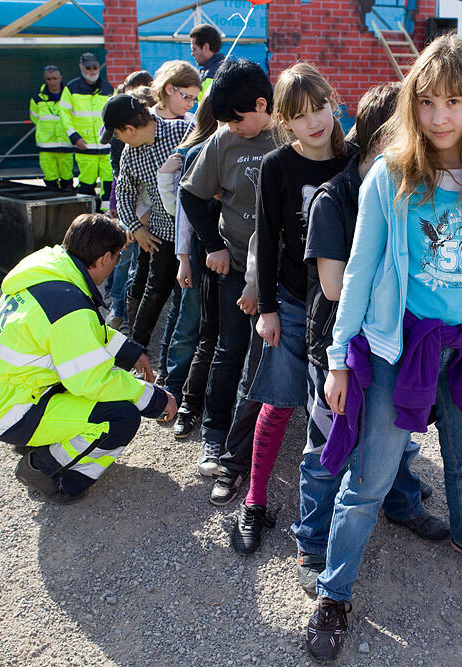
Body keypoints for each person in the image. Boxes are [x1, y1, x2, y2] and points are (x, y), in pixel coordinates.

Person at [304, 35, 462, 662]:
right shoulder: (391, 174)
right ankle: (334, 591)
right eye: (427, 101)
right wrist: (339, 355)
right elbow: (358, 268)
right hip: (393, 349)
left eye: (453, 101)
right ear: (412, 104)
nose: (438, 116)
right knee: (371, 475)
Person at [297, 82, 443, 594]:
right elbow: (337, 287)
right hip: (337, 340)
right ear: (383, 138)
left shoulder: (413, 188)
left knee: (397, 439)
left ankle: (403, 506)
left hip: (389, 339)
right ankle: (313, 539)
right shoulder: (334, 200)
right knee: (328, 443)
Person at [227, 63, 356, 554]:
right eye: (300, 115)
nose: (314, 121)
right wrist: (267, 308)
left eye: (319, 107)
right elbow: (267, 235)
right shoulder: (277, 165)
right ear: (284, 119)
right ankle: (255, 502)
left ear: (333, 102)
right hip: (295, 303)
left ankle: (368, 498)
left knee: (338, 410)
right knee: (278, 404)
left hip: (343, 308)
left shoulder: (356, 159)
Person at [0, 213, 176, 503]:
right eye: (118, 257)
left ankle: (40, 443)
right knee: (120, 417)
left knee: (96, 398)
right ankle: (45, 470)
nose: (116, 263)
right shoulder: (70, 307)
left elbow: (84, 334)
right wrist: (156, 399)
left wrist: (130, 351)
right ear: (105, 257)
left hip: (5, 394)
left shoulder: (49, 272)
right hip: (16, 412)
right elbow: (92, 380)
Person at [178, 59, 276, 488]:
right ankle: (215, 436)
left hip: (281, 272)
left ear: (262, 104)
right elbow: (191, 195)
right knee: (230, 348)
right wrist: (213, 246)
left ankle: (263, 438)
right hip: (234, 264)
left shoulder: (292, 135)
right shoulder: (223, 140)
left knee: (271, 357)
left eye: (237, 121)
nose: (232, 128)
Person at [107, 86, 194, 377]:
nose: (118, 140)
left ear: (129, 129)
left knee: (185, 302)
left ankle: (176, 370)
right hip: (162, 234)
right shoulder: (130, 156)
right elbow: (123, 192)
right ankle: (136, 354)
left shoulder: (184, 130)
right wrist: (135, 229)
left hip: (196, 234)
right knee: (153, 293)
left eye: (117, 134)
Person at [158, 97, 220, 435]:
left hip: (205, 256)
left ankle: (184, 384)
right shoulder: (197, 151)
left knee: (198, 323)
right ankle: (173, 387)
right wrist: (183, 259)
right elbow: (183, 213)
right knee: (189, 323)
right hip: (196, 255)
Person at [104, 71, 155, 331]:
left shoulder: (174, 129)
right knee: (126, 258)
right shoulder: (124, 139)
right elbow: (121, 180)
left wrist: (142, 219)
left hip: (150, 212)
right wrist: (132, 222)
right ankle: (118, 309)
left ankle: (131, 317)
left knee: (140, 266)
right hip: (133, 207)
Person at [60, 53, 114, 212]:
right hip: (85, 147)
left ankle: (107, 217)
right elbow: (64, 115)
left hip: (106, 148)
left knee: (109, 185)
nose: (92, 71)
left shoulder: (108, 88)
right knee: (86, 185)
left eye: (95, 67)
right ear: (81, 68)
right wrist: (74, 137)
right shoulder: (71, 88)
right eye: (88, 68)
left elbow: (114, 114)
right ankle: (85, 217)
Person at [30, 65, 74, 191]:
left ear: (60, 78)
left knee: (67, 179)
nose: (52, 82)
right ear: (45, 79)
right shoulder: (37, 99)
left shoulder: (69, 96)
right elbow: (35, 119)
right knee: (50, 179)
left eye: (54, 78)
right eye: (49, 79)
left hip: (65, 143)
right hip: (46, 145)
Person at [190, 24, 225, 88]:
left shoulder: (210, 74)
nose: (192, 54)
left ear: (206, 47)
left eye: (194, 49)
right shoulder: (227, 67)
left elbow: (200, 97)